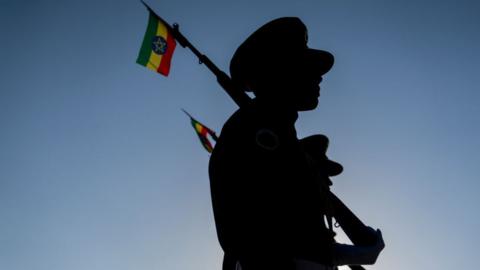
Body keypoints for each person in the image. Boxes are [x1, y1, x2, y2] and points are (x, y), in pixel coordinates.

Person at [208, 17, 384, 270]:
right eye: (308, 67)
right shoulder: (255, 129)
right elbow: (256, 238)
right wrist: (348, 255)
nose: (320, 77)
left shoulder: (275, 132)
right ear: (281, 72)